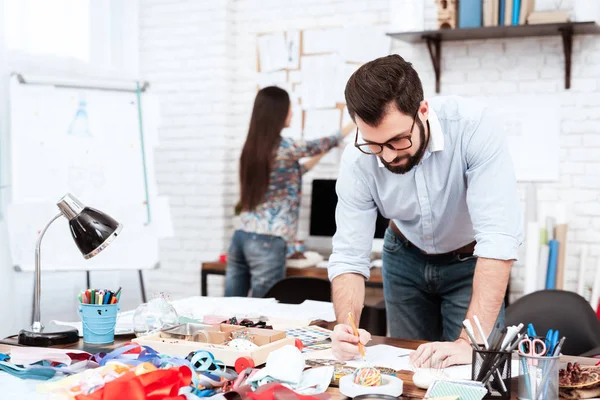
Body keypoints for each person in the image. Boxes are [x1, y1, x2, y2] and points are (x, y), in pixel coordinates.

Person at [327, 55, 523, 368]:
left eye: (398, 140)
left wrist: (468, 342)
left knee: (471, 368)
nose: (388, 156)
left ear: (423, 111)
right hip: (403, 257)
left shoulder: (473, 127)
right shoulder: (356, 160)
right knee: (411, 367)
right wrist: (345, 328)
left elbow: (499, 237)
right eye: (375, 145)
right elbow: (349, 255)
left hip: (471, 262)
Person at [225, 86, 355, 298]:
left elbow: (298, 171)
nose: (292, 112)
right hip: (268, 241)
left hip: (241, 236)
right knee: (262, 313)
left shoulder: (252, 148)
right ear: (277, 112)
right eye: (289, 108)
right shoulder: (286, 148)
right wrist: (355, 121)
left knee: (230, 308)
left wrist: (323, 153)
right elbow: (324, 142)